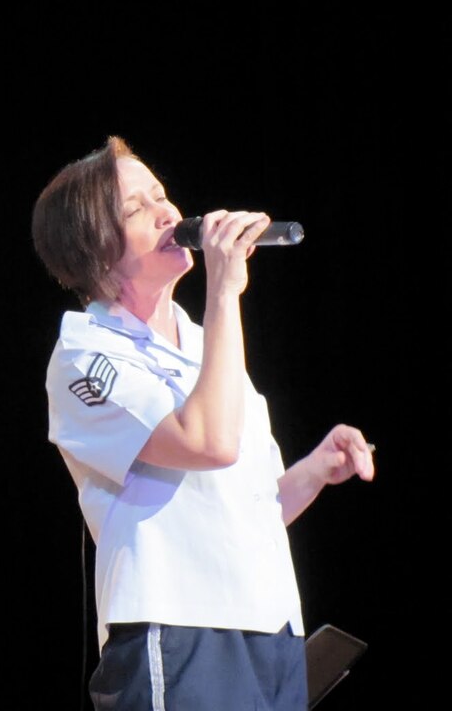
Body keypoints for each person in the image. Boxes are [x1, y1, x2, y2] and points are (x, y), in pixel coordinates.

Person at [30, 135, 375, 710]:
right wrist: (225, 287)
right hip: (179, 628)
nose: (169, 212)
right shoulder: (84, 354)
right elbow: (207, 443)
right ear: (92, 247)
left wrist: (314, 470)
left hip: (271, 631)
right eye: (138, 208)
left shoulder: (201, 341)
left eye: (162, 195)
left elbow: (249, 508)